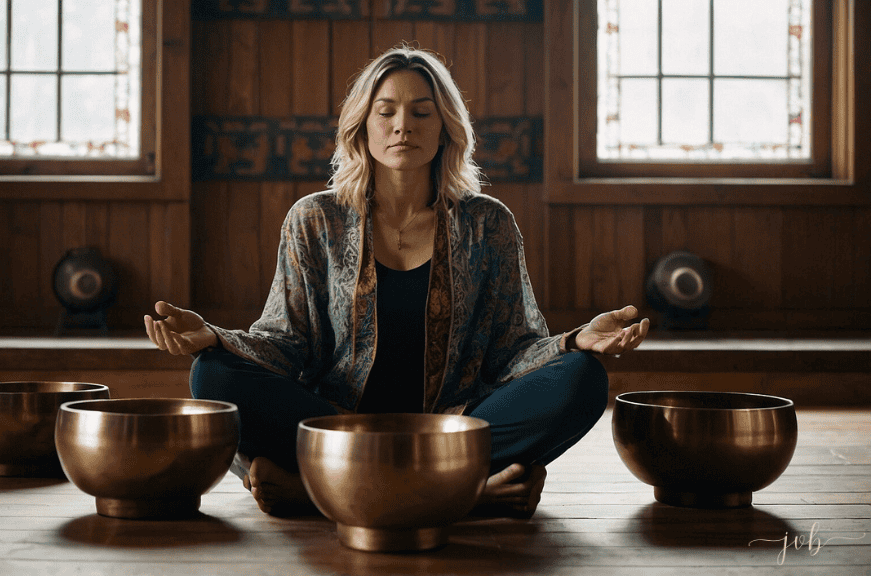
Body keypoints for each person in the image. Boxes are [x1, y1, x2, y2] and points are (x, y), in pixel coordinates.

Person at [145, 45, 648, 518]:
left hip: (453, 429)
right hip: (336, 426)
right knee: (211, 374)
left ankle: (324, 490)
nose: (402, 126)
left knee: (584, 378)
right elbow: (285, 341)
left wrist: (575, 341)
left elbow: (513, 350)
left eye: (421, 112)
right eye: (386, 111)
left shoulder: (487, 224)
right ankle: (465, 493)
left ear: (446, 127)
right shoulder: (314, 220)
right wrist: (214, 339)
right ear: (362, 125)